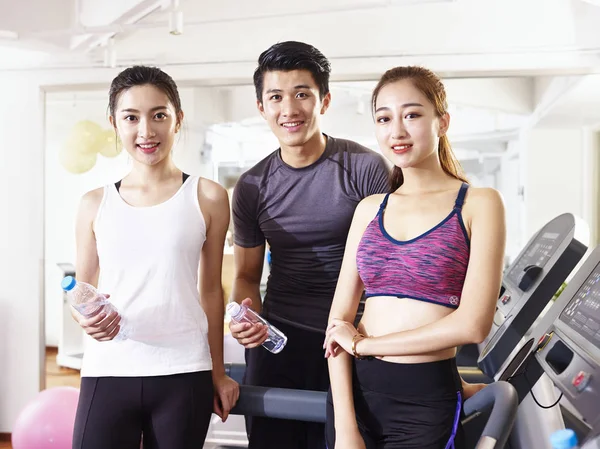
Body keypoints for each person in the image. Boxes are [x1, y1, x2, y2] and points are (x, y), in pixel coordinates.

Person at [324, 66, 506, 449]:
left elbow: (472, 326)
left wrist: (365, 345)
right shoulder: (369, 209)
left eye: (412, 115)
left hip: (424, 402)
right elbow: (337, 324)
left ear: (443, 121)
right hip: (354, 397)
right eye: (384, 118)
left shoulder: (478, 204)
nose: (397, 131)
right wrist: (345, 428)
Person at [228, 41, 391, 449]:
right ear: (261, 107)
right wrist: (245, 314)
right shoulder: (251, 186)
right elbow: (247, 276)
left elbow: (388, 266)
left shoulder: (365, 168)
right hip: (280, 341)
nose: (290, 108)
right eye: (276, 97)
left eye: (302, 94)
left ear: (325, 100)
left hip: (354, 338)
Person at [69, 65, 239, 449]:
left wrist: (217, 371)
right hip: (107, 369)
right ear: (114, 123)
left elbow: (211, 291)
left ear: (178, 119)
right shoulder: (93, 204)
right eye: (131, 117)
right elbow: (82, 291)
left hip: (184, 370)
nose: (146, 131)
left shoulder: (208, 196)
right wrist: (84, 318)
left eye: (159, 115)